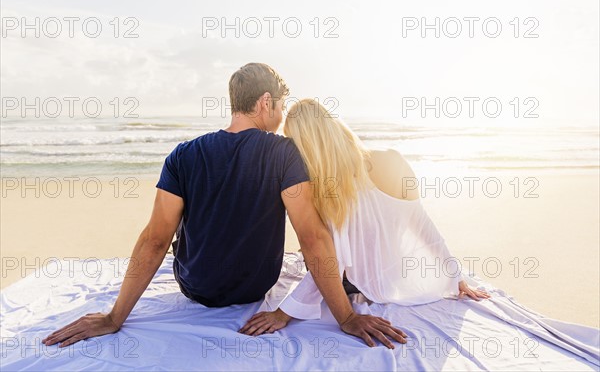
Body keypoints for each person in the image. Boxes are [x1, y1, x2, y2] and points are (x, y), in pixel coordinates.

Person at [42, 64, 407, 350]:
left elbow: (154, 240)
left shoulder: (183, 154)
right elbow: (312, 238)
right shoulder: (283, 154)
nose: (280, 119)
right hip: (254, 287)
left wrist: (114, 317)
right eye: (280, 107)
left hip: (195, 286)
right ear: (266, 102)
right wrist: (345, 318)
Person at [240, 99, 491, 335]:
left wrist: (284, 313)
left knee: (315, 245)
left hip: (356, 283)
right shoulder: (393, 160)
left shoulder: (328, 190)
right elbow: (422, 224)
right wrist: (453, 275)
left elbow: (329, 261)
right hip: (392, 277)